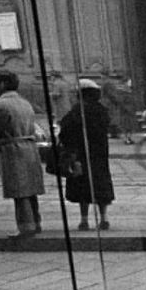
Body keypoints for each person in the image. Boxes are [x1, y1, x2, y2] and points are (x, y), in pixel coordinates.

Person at [0, 70, 45, 239]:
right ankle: (36, 222)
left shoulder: (1, 105)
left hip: (13, 150)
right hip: (29, 148)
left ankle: (25, 227)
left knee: (19, 191)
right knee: (30, 189)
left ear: (3, 84)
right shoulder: (25, 103)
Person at [60, 79, 114, 230]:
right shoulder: (102, 110)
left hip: (81, 154)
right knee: (100, 185)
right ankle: (104, 218)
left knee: (82, 186)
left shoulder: (77, 111)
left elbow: (65, 130)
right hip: (99, 154)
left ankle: (84, 219)